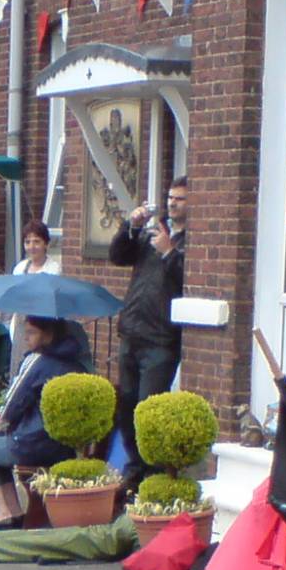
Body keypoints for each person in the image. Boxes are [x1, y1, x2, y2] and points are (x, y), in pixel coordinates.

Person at [0, 316, 85, 530]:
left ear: (48, 334)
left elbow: (11, 405)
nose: (25, 337)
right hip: (63, 447)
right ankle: (6, 512)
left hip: (33, 443)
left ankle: (5, 512)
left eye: (31, 332)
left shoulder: (38, 361)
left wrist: (1, 422)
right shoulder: (77, 364)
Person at [109, 177, 188, 483]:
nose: (173, 203)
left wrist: (169, 253)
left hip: (161, 338)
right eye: (170, 197)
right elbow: (118, 257)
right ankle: (135, 466)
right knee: (126, 406)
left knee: (148, 407)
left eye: (180, 198)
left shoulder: (189, 241)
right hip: (132, 331)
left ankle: (152, 471)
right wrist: (131, 228)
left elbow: (186, 282)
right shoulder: (155, 231)